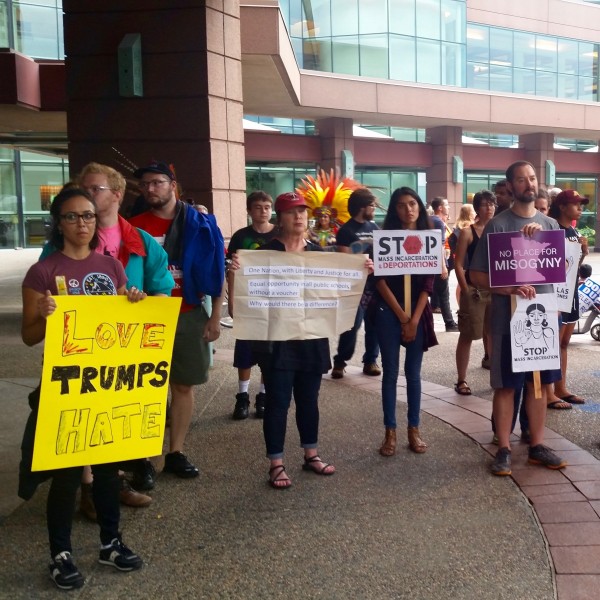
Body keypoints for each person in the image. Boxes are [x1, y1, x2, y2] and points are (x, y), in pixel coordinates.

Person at [20, 188, 144, 590]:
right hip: (66, 386)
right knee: (68, 475)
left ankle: (111, 542)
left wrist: (134, 302)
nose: (82, 224)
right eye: (72, 217)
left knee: (108, 472)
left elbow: (125, 328)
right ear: (58, 223)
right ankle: (61, 553)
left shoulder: (111, 267)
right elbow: (29, 337)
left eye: (88, 216)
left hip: (105, 385)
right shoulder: (42, 273)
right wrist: (43, 314)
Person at [470, 161, 567, 476]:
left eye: (533, 178)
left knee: (538, 386)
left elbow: (560, 270)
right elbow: (476, 275)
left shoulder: (550, 226)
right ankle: (504, 449)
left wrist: (535, 241)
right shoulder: (497, 227)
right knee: (506, 387)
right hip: (507, 322)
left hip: (541, 321)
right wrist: (509, 288)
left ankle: (537, 444)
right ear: (511, 186)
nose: (529, 184)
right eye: (522, 180)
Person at [129, 161, 225, 478]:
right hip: (146, 314)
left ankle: (176, 451)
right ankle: (141, 455)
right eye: (145, 184)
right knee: (147, 387)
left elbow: (216, 269)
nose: (150, 189)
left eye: (157, 182)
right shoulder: (132, 225)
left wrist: (215, 316)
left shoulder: (200, 223)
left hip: (189, 312)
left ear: (173, 185)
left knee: (182, 385)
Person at [251, 192, 336, 489]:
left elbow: (336, 291)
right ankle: (276, 463)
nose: (299, 216)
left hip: (312, 336)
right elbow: (251, 296)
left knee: (309, 400)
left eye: (302, 211)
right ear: (279, 218)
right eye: (291, 212)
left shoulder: (320, 252)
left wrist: (360, 273)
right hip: (278, 340)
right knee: (278, 402)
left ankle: (311, 454)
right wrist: (238, 272)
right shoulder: (264, 253)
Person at [374, 187, 438, 456]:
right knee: (390, 374)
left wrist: (412, 319)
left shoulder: (429, 239)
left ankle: (414, 429)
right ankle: (390, 431)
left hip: (418, 313)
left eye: (413, 204)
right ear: (394, 210)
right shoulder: (384, 239)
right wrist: (401, 316)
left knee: (413, 374)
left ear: (419, 207)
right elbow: (379, 281)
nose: (408, 209)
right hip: (388, 312)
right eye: (401, 205)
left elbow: (428, 284)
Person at [227, 190, 277, 420]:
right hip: (247, 301)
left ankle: (264, 396)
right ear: (249, 210)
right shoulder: (240, 237)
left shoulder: (280, 235)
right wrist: (232, 301)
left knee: (269, 351)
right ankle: (242, 396)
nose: (263, 211)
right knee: (245, 350)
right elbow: (232, 270)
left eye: (267, 207)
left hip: (273, 302)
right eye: (258, 207)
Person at [331, 188, 381, 378]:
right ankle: (340, 360)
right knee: (352, 325)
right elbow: (344, 259)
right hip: (354, 286)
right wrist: (362, 261)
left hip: (374, 285)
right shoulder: (346, 230)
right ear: (362, 207)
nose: (374, 209)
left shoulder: (375, 228)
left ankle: (371, 361)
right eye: (372, 206)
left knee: (374, 325)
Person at [548, 189, 589, 405]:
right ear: (562, 207)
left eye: (581, 205)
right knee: (553, 342)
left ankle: (561, 387)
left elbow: (572, 268)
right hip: (556, 295)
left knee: (564, 341)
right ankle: (549, 392)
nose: (580, 209)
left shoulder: (573, 231)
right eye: (576, 205)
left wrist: (582, 253)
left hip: (571, 292)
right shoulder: (552, 229)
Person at [453, 190, 496, 395]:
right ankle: (461, 380)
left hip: (496, 289)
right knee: (467, 334)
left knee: (494, 333)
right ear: (477, 208)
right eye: (485, 204)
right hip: (475, 290)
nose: (489, 208)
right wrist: (466, 289)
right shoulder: (468, 232)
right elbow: (458, 263)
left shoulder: (499, 229)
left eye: (492, 204)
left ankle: (496, 376)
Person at [430, 197, 458, 331]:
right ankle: (450, 323)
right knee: (444, 295)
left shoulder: (430, 220)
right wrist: (443, 267)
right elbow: (439, 246)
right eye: (446, 205)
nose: (449, 207)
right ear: (440, 208)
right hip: (438, 264)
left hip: (429, 264)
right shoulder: (439, 222)